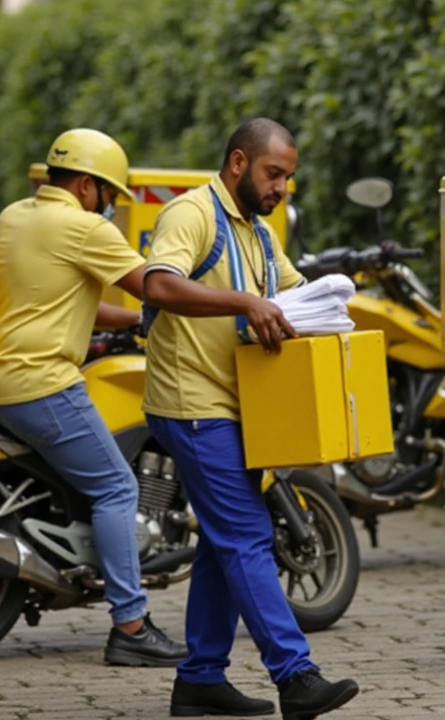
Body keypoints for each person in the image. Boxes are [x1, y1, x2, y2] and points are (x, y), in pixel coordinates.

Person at [140, 117, 360, 719]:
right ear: (238, 162)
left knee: (223, 540)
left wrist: (336, 300)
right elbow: (160, 286)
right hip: (191, 405)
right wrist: (244, 303)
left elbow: (291, 292)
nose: (282, 187)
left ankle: (200, 680)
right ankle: (296, 677)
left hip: (232, 405)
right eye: (273, 173)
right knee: (246, 537)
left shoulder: (259, 234)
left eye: (288, 177)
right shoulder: (193, 215)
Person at [0, 128, 188, 667]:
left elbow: (61, 299)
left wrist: (139, 326)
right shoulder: (84, 227)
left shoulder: (14, 216)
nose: (113, 208)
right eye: (111, 196)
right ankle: (132, 625)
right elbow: (156, 286)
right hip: (43, 383)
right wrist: (222, 302)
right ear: (86, 185)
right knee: (118, 488)